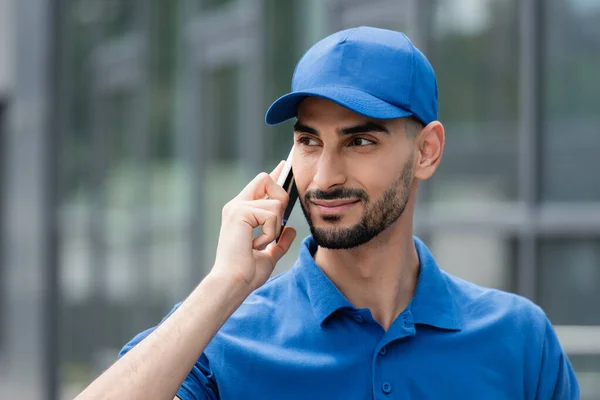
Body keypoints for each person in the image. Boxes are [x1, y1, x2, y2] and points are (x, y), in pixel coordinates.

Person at [75, 26, 579, 400]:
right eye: (309, 141)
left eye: (359, 140)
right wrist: (225, 283)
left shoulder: (518, 340)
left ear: (426, 151)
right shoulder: (226, 339)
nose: (324, 176)